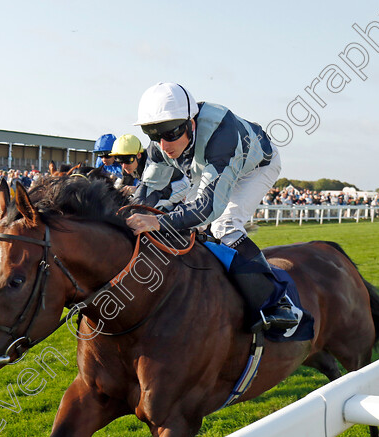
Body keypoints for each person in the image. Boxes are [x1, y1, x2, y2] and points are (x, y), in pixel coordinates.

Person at [126, 82, 297, 332]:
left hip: (256, 167)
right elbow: (146, 194)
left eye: (171, 134)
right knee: (193, 227)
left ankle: (276, 302)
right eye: (155, 136)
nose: (164, 145)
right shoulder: (161, 145)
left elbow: (207, 208)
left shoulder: (221, 137)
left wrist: (157, 222)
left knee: (224, 225)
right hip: (210, 163)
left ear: (190, 124)